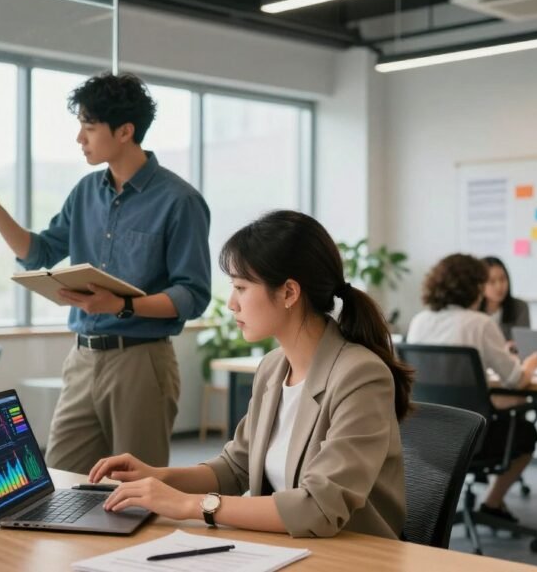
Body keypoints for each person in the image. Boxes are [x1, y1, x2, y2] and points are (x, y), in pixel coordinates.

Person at [88, 211, 411, 538]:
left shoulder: (360, 376)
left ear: (289, 293)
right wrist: (158, 478)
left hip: (356, 557)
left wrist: (189, 505)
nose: (231, 303)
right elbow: (235, 467)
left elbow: (318, 509)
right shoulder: (273, 367)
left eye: (241, 287)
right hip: (289, 549)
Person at [0, 72, 211, 474]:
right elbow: (39, 252)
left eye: (89, 128)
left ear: (126, 131)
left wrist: (122, 305)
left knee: (134, 489)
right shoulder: (84, 192)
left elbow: (193, 296)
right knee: (59, 476)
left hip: (141, 362)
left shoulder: (180, 201)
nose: (80, 138)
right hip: (82, 358)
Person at [406, 254, 537, 523]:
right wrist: (530, 364)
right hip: (471, 438)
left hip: (423, 436)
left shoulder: (420, 321)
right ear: (475, 287)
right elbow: (515, 380)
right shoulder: (480, 323)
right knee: (526, 434)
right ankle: (492, 502)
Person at [477, 256, 530, 343]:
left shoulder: (520, 307)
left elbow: (524, 343)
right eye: (492, 281)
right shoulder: (472, 310)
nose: (499, 286)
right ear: (480, 285)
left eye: (502, 279)